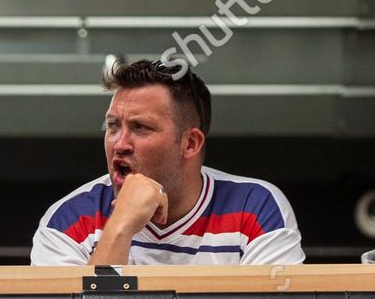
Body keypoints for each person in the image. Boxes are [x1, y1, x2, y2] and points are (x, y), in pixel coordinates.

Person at [31, 59, 303, 266]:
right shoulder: (67, 220)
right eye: (113, 126)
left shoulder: (256, 208)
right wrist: (120, 226)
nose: (120, 143)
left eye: (140, 128)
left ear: (191, 143)